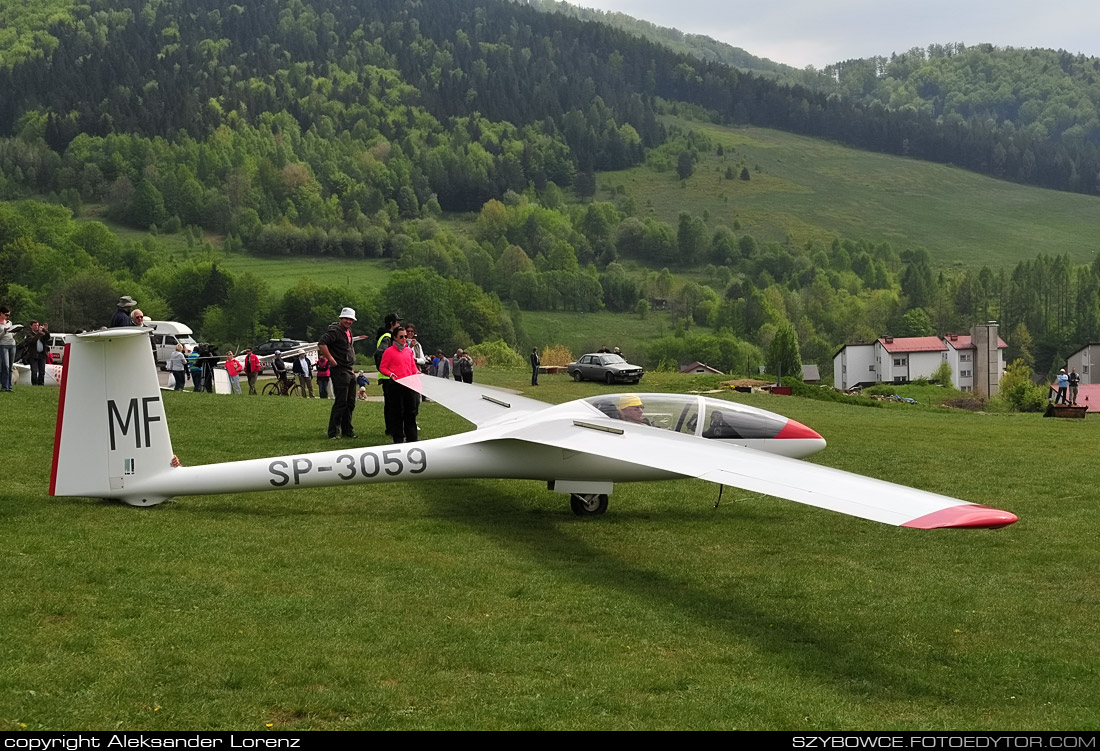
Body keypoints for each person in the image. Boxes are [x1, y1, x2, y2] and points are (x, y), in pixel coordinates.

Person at [318, 307, 358, 440]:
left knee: (350, 402)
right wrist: (330, 359)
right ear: (341, 319)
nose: (348, 321)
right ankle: (333, 431)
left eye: (350, 319)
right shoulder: (335, 331)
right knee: (341, 401)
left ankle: (347, 429)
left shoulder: (347, 331)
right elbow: (322, 343)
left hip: (349, 369)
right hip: (340, 370)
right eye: (346, 319)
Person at [378, 326, 419, 443]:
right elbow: (383, 367)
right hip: (395, 386)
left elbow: (413, 367)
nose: (404, 339)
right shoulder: (389, 351)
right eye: (401, 337)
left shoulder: (408, 351)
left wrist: (418, 375)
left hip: (408, 385)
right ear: (395, 338)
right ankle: (398, 439)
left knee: (410, 413)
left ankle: (412, 439)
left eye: (405, 336)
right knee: (397, 413)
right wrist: (390, 374)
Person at [374, 313, 403, 435]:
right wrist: (387, 369)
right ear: (392, 323)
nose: (399, 324)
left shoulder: (385, 335)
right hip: (388, 376)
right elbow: (381, 354)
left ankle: (391, 428)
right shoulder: (387, 337)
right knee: (392, 404)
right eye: (397, 322)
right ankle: (391, 428)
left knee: (390, 404)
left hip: (386, 375)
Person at [21, 320, 49, 386]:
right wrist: (39, 333)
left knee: (42, 371)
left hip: (42, 354)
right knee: (34, 371)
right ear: (31, 326)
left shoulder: (42, 333)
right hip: (33, 355)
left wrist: (45, 330)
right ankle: (35, 384)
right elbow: (32, 341)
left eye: (37, 325)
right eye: (35, 325)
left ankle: (41, 384)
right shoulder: (29, 334)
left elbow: (47, 337)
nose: (36, 327)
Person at [0, 306, 15, 392]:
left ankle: (9, 386)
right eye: (6, 315)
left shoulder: (9, 322)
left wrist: (15, 331)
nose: (7, 317)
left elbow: (12, 334)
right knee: (5, 366)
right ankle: (4, 386)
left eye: (9, 315)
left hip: (12, 344)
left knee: (10, 367)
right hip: (3, 345)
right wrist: (4, 331)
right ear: (1, 313)